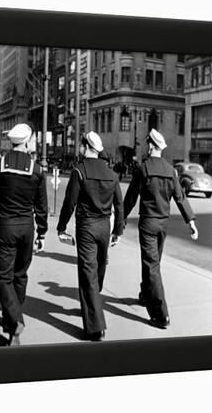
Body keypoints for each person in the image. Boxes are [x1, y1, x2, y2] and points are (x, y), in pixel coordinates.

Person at [0, 123, 48, 346]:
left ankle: (15, 320)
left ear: (11, 141)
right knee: (20, 274)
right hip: (27, 228)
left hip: (6, 226)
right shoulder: (37, 169)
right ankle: (12, 324)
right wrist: (42, 232)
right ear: (27, 142)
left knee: (2, 276)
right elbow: (41, 205)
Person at [123, 129, 198, 329]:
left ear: (149, 146)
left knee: (151, 266)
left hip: (147, 223)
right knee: (153, 264)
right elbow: (180, 197)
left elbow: (130, 198)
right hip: (163, 225)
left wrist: (119, 220)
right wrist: (190, 221)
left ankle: (161, 314)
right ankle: (145, 294)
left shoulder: (143, 169)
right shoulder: (171, 170)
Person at [56, 131, 124, 341]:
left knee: (88, 273)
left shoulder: (79, 170)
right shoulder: (112, 174)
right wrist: (118, 231)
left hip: (86, 227)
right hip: (104, 227)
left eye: (81, 145)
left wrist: (61, 227)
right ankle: (92, 304)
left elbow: (70, 202)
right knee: (99, 268)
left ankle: (95, 327)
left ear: (86, 146)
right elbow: (119, 204)